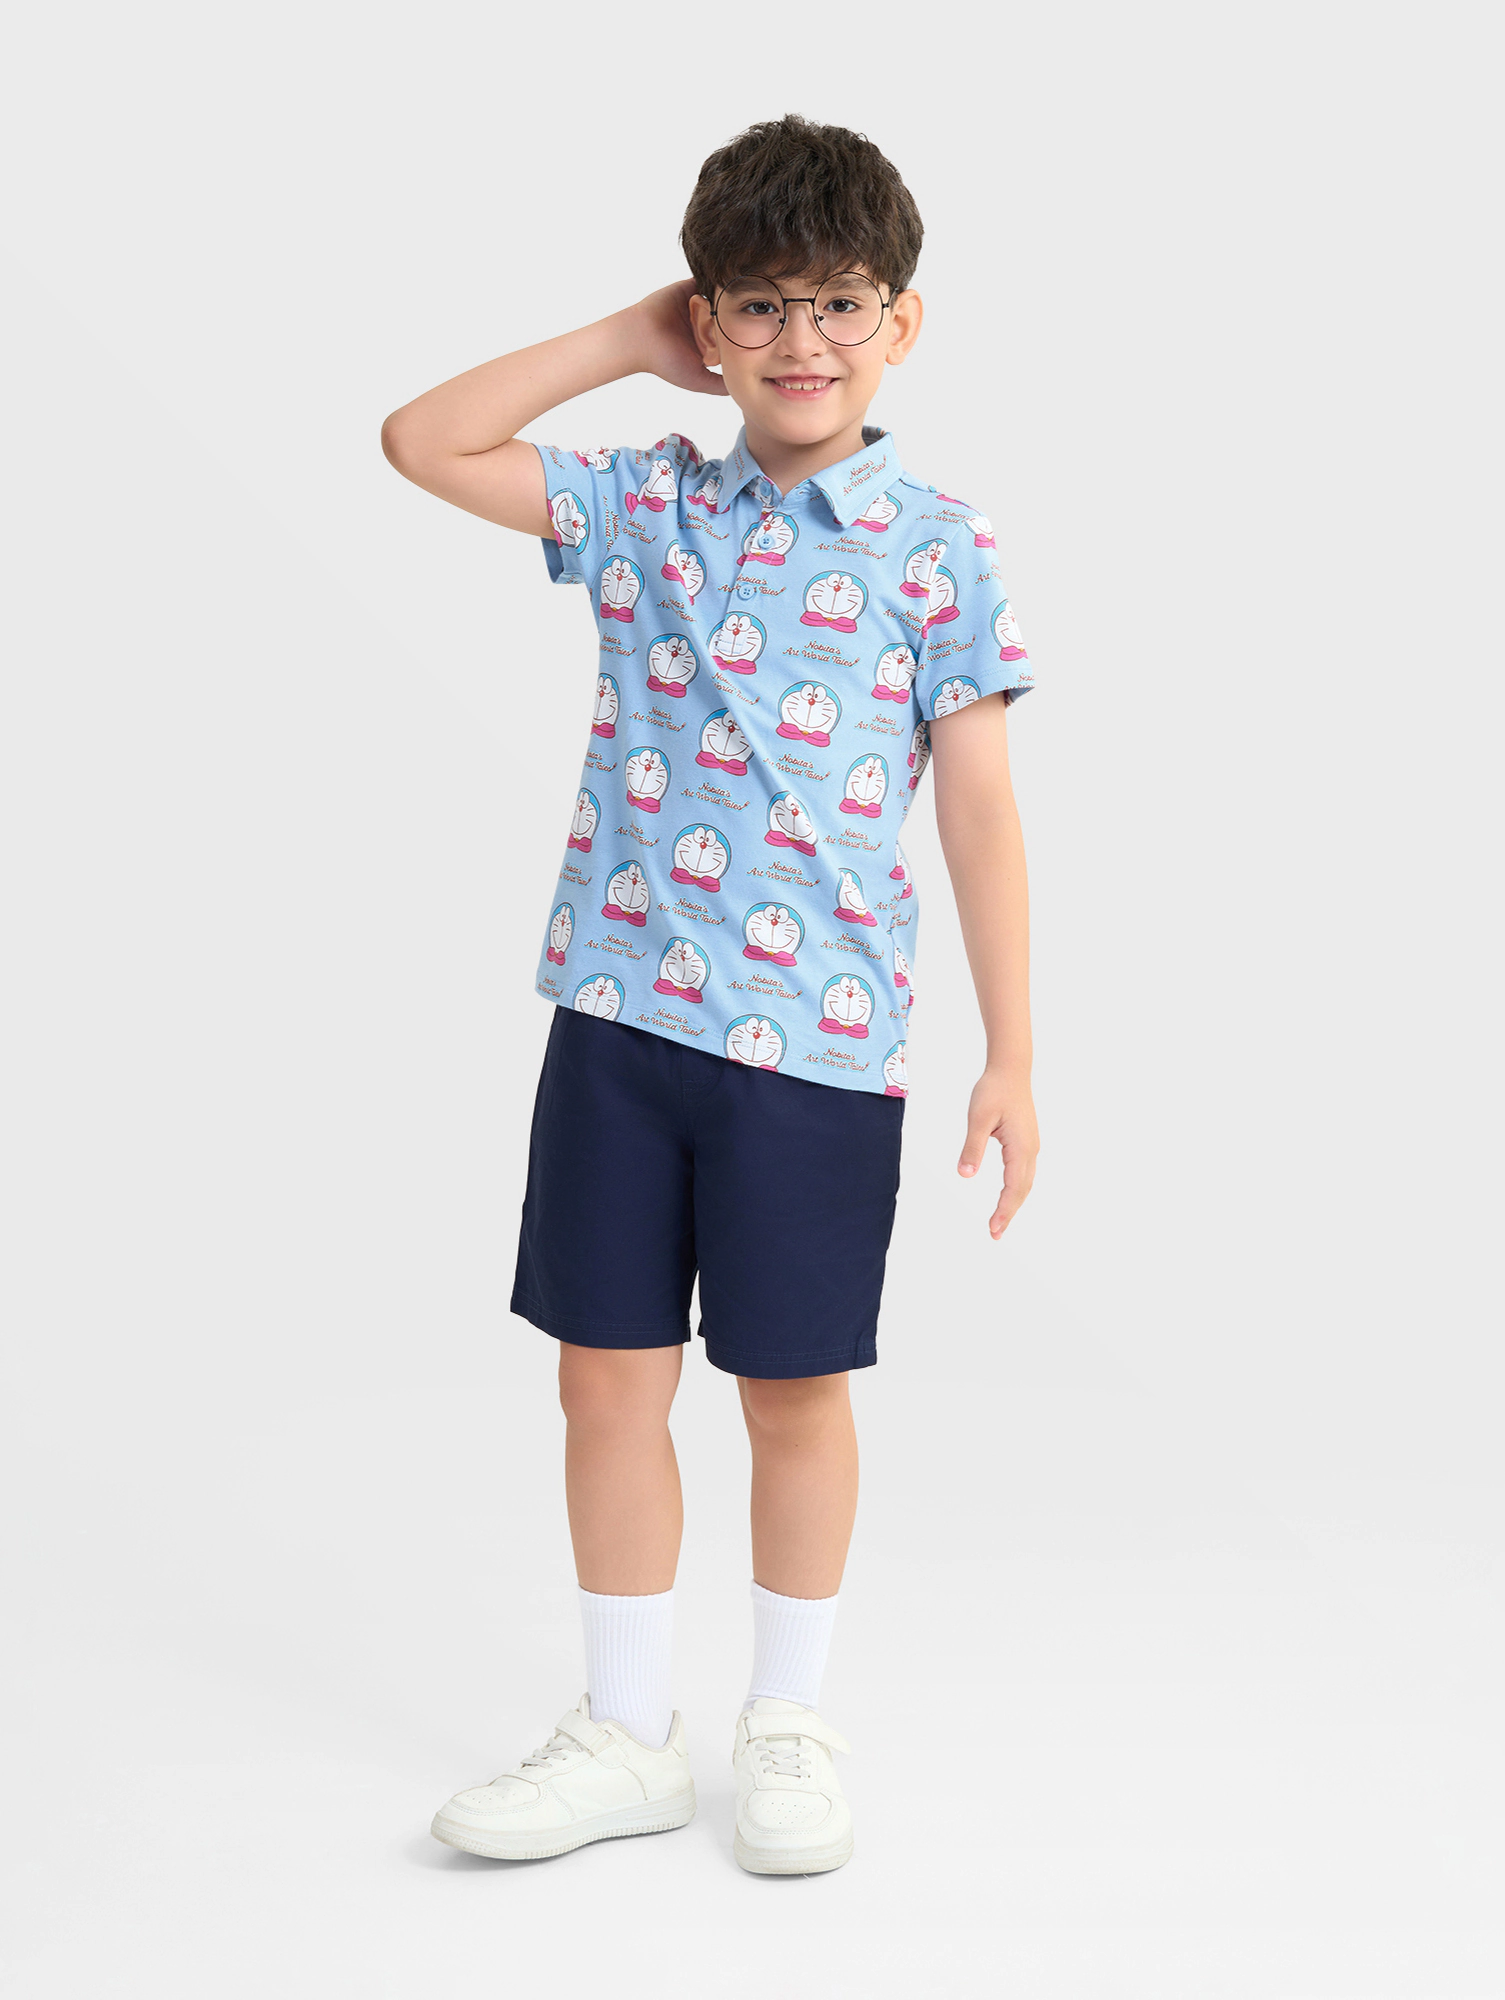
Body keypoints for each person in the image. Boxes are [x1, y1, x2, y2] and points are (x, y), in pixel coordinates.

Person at [380, 113, 1039, 1876]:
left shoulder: (936, 545)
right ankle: (626, 1731)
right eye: (758, 305)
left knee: (792, 1389)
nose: (800, 341)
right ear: (710, 322)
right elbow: (422, 440)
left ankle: (789, 1723)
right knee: (607, 1380)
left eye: (839, 303)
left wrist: (1013, 1052)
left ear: (902, 321)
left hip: (817, 1050)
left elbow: (979, 809)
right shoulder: (645, 504)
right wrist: (625, 337)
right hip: (617, 1024)